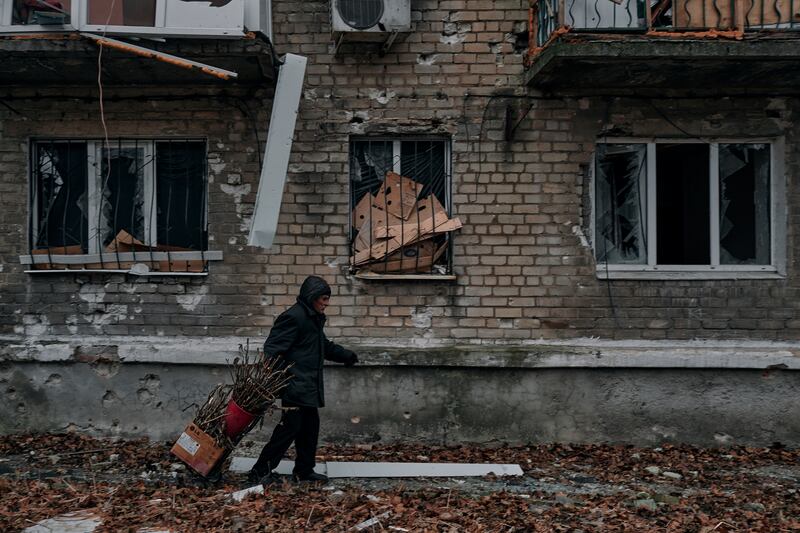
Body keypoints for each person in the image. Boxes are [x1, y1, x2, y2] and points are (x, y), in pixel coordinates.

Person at [249, 275, 358, 484]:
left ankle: (304, 471)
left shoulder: (311, 318)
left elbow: (322, 345)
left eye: (327, 299)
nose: (326, 304)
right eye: (323, 299)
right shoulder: (294, 317)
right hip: (294, 386)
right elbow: (272, 350)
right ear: (312, 297)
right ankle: (260, 470)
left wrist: (345, 355)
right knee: (288, 430)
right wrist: (281, 380)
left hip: (307, 385)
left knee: (309, 429)